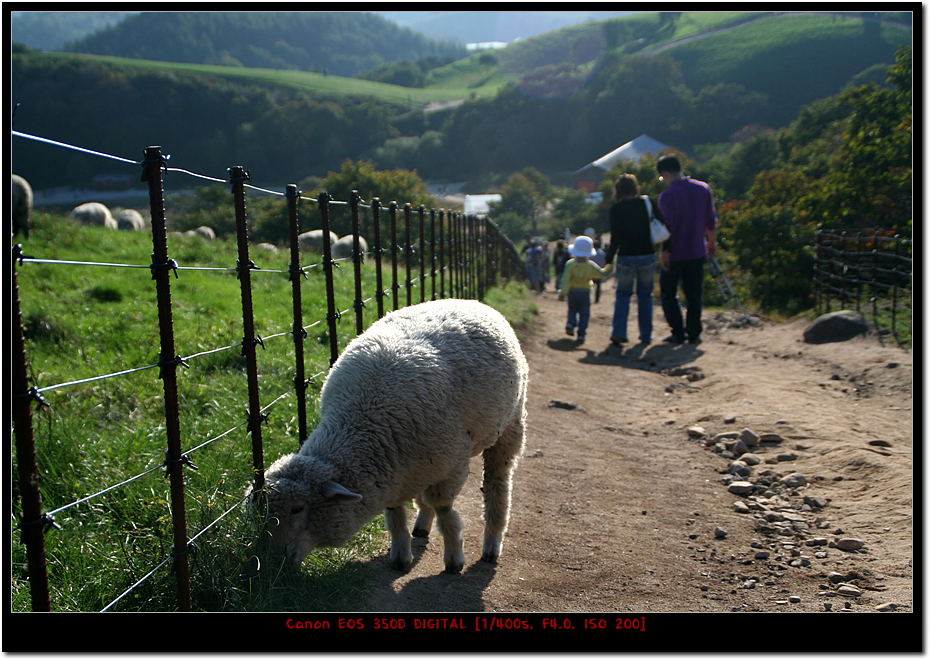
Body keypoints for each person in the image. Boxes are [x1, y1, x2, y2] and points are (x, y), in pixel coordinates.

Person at [655, 154, 718, 344]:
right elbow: (711, 219)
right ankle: (694, 332)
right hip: (697, 250)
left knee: (668, 293)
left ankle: (678, 331)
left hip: (675, 252)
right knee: (694, 294)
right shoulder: (703, 189)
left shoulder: (667, 196)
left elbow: (668, 227)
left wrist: (664, 252)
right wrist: (711, 242)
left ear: (665, 173)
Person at [603, 173, 665, 346]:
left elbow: (615, 237)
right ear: (635, 187)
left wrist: (608, 259)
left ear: (618, 190)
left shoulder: (616, 209)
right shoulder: (647, 202)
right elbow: (662, 222)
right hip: (647, 253)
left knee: (623, 294)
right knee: (645, 295)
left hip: (626, 256)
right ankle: (646, 335)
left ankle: (619, 332)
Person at [559, 235, 612, 344]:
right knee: (584, 313)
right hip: (585, 292)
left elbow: (566, 280)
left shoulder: (570, 264)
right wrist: (609, 266)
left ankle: (571, 322)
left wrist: (562, 293)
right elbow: (602, 273)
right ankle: (581, 334)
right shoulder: (590, 265)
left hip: (572, 292)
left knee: (572, 309)